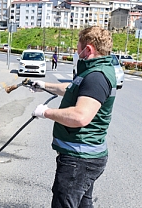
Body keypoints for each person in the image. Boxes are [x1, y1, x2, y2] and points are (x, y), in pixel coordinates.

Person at [31, 26, 117, 207]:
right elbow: (72, 89)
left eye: (78, 45)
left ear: (88, 49)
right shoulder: (91, 72)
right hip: (84, 156)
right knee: (83, 204)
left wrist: (45, 112)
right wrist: (44, 85)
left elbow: (80, 116)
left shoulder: (96, 77)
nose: (76, 50)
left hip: (80, 159)